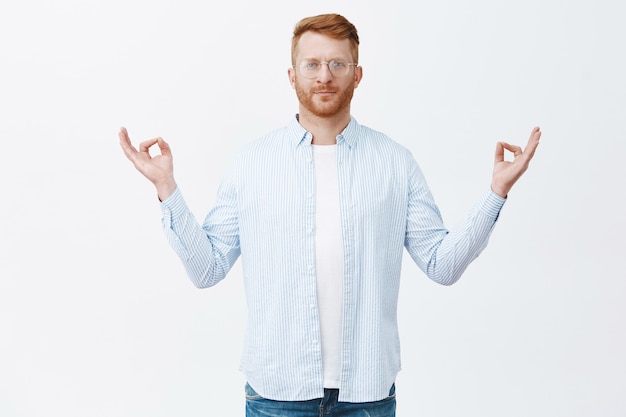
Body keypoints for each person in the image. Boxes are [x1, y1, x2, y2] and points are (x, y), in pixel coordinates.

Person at [119, 13, 541, 417]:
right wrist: (166, 189)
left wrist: (496, 192)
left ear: (357, 75)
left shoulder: (395, 163)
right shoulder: (251, 165)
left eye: (338, 63)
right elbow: (207, 269)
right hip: (276, 396)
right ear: (292, 75)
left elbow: (442, 264)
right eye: (313, 64)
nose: (325, 76)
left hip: (368, 397)